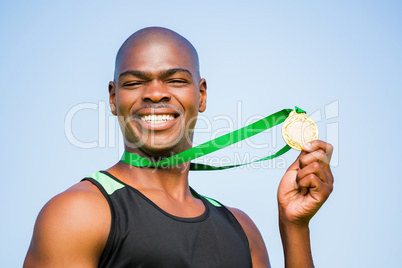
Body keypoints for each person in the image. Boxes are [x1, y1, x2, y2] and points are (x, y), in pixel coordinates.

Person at [23, 27, 334, 268]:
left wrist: (295, 227)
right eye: (134, 83)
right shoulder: (78, 213)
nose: (156, 93)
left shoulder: (242, 230)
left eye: (175, 80)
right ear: (113, 98)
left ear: (201, 95)